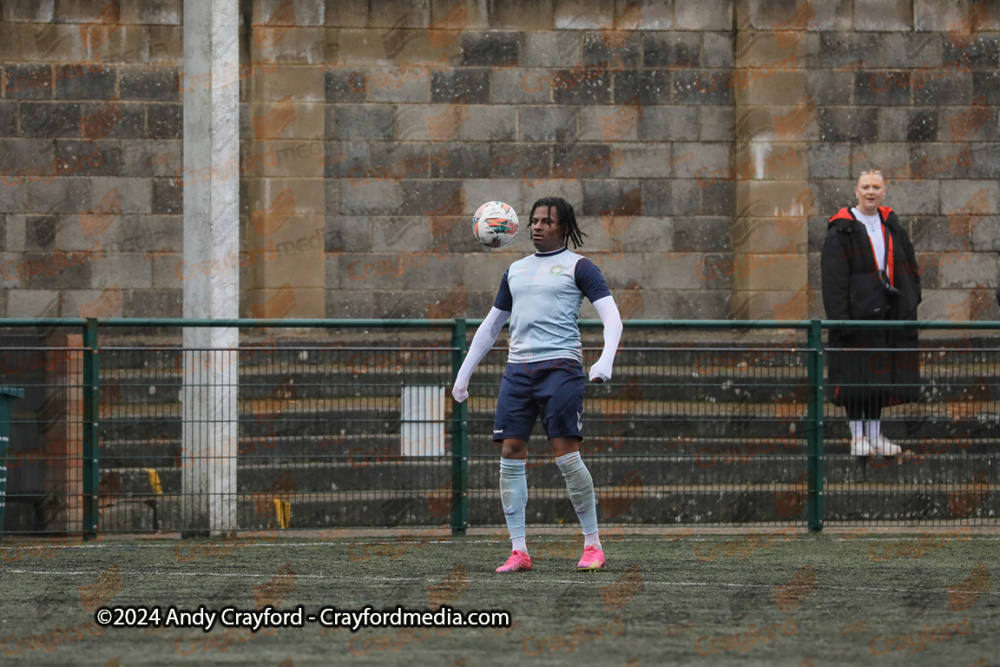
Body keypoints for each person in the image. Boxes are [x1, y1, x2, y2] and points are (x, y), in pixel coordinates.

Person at [451, 197, 623, 572]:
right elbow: (491, 326)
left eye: (547, 221)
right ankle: (519, 551)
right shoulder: (515, 270)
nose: (537, 226)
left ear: (563, 227)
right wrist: (463, 374)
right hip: (518, 372)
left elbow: (613, 317)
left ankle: (593, 544)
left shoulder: (580, 267)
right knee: (510, 450)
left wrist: (605, 359)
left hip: (561, 369)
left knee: (566, 455)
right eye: (533, 221)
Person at [821, 170, 921, 458]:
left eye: (876, 187)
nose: (870, 192)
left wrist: (911, 299)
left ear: (884, 191)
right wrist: (842, 318)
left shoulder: (891, 226)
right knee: (856, 380)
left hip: (886, 315)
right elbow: (834, 280)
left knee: (878, 379)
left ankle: (875, 435)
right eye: (865, 187)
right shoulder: (841, 229)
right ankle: (857, 436)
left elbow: (909, 265)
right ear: (856, 191)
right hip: (855, 317)